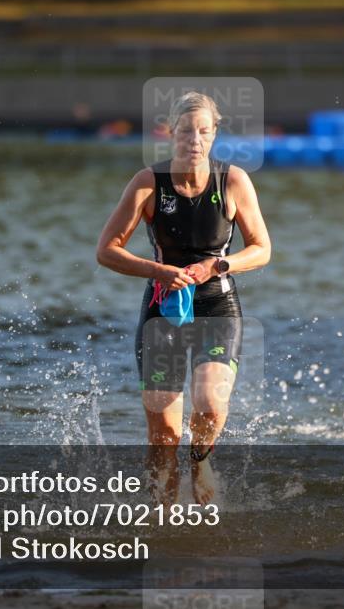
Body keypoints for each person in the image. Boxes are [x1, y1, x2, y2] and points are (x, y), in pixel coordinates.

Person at [96, 91, 271, 503]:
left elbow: (262, 248)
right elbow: (107, 250)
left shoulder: (233, 181)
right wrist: (158, 270)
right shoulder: (148, 183)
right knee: (164, 436)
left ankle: (202, 458)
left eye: (204, 132)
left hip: (216, 305)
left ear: (214, 136)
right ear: (171, 133)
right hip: (164, 310)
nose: (195, 140)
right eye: (187, 131)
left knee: (209, 403)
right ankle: (165, 523)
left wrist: (218, 266)